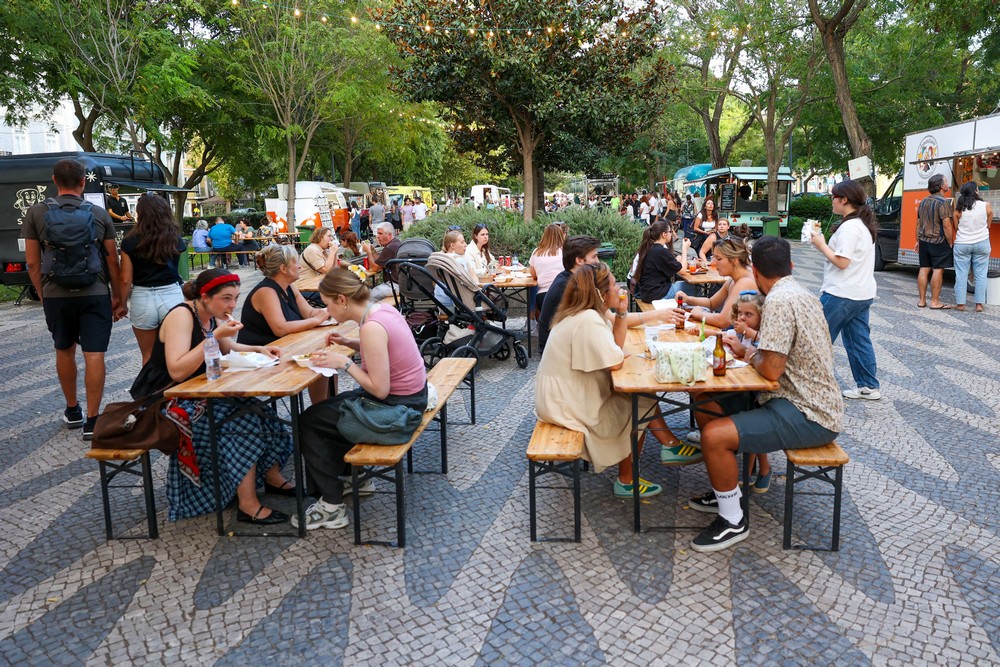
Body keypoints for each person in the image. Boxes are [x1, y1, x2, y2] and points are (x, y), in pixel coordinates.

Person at [687, 237, 843, 552]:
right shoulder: (801, 293)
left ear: (755, 272)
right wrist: (749, 348)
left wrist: (746, 353)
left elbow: (770, 370)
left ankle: (733, 520)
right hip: (804, 400)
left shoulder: (777, 302)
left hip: (808, 412)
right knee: (705, 400)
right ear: (791, 266)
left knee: (714, 436)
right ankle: (726, 489)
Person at [141, 268, 294, 523]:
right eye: (226, 298)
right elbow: (177, 371)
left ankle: (272, 477)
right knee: (240, 421)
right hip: (167, 399)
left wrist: (259, 349)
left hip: (199, 390)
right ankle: (248, 504)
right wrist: (213, 337)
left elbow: (228, 347)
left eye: (236, 298)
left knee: (261, 410)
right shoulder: (182, 315)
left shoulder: (210, 315)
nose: (232, 305)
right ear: (205, 296)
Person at [536, 264, 695, 499]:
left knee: (640, 396)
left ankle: (668, 446)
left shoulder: (586, 312)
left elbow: (615, 347)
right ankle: (631, 477)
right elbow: (615, 360)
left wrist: (621, 313)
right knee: (639, 401)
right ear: (600, 293)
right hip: (566, 405)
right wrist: (619, 355)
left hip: (559, 397)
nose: (619, 288)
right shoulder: (588, 319)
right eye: (613, 284)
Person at [294, 267, 428, 530]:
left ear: (342, 299)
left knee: (309, 421)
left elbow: (379, 390)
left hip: (399, 410)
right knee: (327, 410)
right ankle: (351, 478)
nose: (327, 311)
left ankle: (331, 505)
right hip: (413, 396)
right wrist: (348, 342)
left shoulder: (371, 327)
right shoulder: (382, 310)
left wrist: (344, 363)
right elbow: (382, 350)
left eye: (328, 304)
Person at [22, 158, 125, 440]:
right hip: (95, 292)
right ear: (83, 182)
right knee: (95, 354)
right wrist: (118, 297)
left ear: (54, 181)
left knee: (64, 349)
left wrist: (44, 293)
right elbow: (112, 261)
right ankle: (93, 420)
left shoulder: (36, 213)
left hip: (56, 294)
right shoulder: (99, 214)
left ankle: (73, 410)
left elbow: (32, 262)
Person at [810, 179, 880, 400]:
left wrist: (821, 245)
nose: (832, 200)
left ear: (844, 200)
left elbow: (842, 262)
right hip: (861, 293)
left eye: (834, 197)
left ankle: (810, 385)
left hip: (841, 293)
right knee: (859, 341)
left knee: (817, 338)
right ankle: (868, 386)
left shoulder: (850, 227)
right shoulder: (861, 224)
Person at [238, 244, 331, 403]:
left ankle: (327, 406)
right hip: (261, 356)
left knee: (327, 355)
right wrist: (316, 320)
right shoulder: (266, 291)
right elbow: (280, 328)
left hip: (283, 348)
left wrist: (330, 310)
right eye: (295, 262)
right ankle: (320, 409)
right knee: (320, 359)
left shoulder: (289, 287)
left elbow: (309, 312)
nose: (299, 266)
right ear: (283, 269)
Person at [120, 193, 187, 365]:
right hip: (171, 294)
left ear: (140, 214)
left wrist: (121, 304)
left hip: (142, 297)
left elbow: (126, 279)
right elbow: (178, 270)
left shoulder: (129, 241)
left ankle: (150, 383)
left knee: (148, 355)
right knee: (176, 355)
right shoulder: (175, 239)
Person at [720, 291, 771, 492]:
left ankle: (754, 472)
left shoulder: (763, 336)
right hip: (746, 384)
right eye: (740, 313)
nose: (742, 318)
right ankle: (757, 469)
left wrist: (742, 345)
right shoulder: (741, 332)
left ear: (761, 316)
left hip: (763, 391)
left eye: (748, 315)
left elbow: (756, 355)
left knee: (752, 414)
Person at [671, 237, 758, 330]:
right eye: (713, 257)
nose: (713, 262)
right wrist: (688, 299)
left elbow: (722, 321)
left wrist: (698, 314)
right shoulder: (733, 279)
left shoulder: (745, 282)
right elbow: (711, 303)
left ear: (734, 260)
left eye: (719, 258)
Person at [952, 181, 993, 312]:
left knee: (961, 274)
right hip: (982, 243)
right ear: (975, 191)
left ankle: (960, 304)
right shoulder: (986, 205)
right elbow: (989, 224)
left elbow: (956, 228)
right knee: (980, 275)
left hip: (962, 244)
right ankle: (979, 305)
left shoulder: (958, 209)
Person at [915, 174, 955, 309]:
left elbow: (918, 223)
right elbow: (947, 225)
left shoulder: (923, 201)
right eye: (946, 182)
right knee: (938, 270)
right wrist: (950, 241)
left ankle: (921, 301)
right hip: (938, 241)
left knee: (924, 268)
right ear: (942, 186)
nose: (948, 184)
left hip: (923, 241)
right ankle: (935, 302)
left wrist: (917, 241)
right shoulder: (943, 202)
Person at [634, 221, 683, 302]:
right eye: (670, 232)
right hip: (657, 294)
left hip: (646, 292)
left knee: (681, 286)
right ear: (664, 234)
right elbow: (682, 271)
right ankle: (688, 309)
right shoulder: (661, 251)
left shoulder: (649, 248)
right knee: (693, 288)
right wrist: (685, 249)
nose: (671, 234)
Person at [434, 229, 478, 307]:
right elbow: (470, 284)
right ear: (452, 246)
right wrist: (471, 271)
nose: (466, 244)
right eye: (462, 242)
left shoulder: (442, 259)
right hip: (458, 302)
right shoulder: (459, 261)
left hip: (441, 300)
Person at [528, 224, 566, 311]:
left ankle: (533, 316)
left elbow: (533, 275)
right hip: (564, 294)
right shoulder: (566, 251)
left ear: (544, 236)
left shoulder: (537, 252)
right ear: (561, 236)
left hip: (543, 297)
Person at [361, 222, 401, 301]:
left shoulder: (390, 248)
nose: (377, 236)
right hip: (401, 284)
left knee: (369, 296)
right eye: (377, 233)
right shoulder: (395, 243)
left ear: (389, 235)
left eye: (380, 233)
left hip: (395, 286)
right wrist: (373, 251)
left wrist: (368, 252)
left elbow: (374, 268)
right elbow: (379, 262)